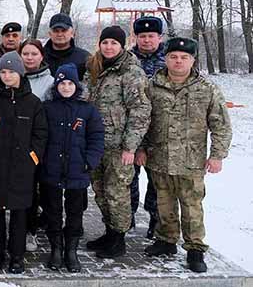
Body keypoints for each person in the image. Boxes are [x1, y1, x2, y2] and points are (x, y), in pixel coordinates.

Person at [138, 37, 232, 273]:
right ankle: (166, 240)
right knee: (163, 202)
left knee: (192, 207)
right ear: (166, 58)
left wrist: (217, 155)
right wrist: (140, 148)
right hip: (159, 157)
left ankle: (195, 249)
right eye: (173, 57)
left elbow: (220, 124)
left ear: (192, 60)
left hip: (191, 160)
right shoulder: (152, 85)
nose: (178, 61)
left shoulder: (206, 88)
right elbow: (142, 121)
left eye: (184, 58)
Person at [0, 51, 48, 273]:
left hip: (21, 168)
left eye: (12, 72)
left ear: (20, 73)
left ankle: (17, 256)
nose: (7, 76)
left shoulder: (33, 102)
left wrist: (33, 156)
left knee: (19, 214)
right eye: (3, 72)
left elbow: (41, 133)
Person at [85, 26, 151, 259]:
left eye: (114, 43)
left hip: (119, 146)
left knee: (118, 193)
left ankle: (119, 238)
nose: (109, 47)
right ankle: (109, 232)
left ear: (122, 45)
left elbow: (140, 110)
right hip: (95, 144)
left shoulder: (131, 72)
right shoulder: (94, 67)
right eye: (105, 43)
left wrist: (130, 147)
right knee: (100, 192)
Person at [41, 63, 104, 273]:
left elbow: (96, 137)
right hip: (52, 169)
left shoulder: (87, 110)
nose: (66, 87)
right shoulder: (47, 108)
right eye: (62, 83)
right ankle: (56, 249)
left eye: (70, 83)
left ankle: (71, 250)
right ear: (56, 85)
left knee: (75, 211)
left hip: (78, 169)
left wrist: (90, 161)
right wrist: (42, 160)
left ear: (76, 86)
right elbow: (40, 136)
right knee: (53, 211)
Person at [17, 38, 55, 252]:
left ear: (41, 56)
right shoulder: (13, 77)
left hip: (43, 144)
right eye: (26, 54)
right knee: (24, 191)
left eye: (34, 54)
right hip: (17, 145)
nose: (29, 58)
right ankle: (22, 230)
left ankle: (38, 231)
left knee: (42, 192)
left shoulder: (50, 82)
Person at [130, 15, 166, 237]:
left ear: (159, 37)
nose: (146, 40)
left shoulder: (170, 60)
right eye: (142, 36)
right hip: (132, 132)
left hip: (160, 133)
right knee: (129, 181)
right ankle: (127, 219)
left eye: (151, 36)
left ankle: (156, 222)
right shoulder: (128, 60)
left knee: (157, 183)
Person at [43, 13, 90, 81]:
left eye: (64, 30)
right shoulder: (39, 57)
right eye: (56, 31)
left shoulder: (84, 58)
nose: (60, 34)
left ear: (72, 33)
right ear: (49, 34)